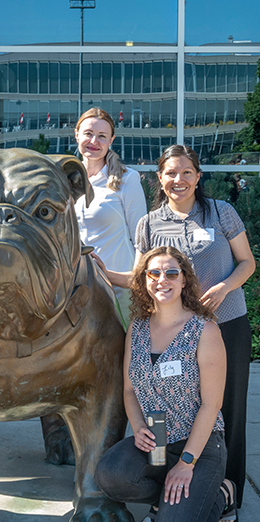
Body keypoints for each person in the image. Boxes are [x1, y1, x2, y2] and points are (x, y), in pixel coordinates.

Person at [97, 144, 255, 508]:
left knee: (225, 409)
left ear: (198, 177)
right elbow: (141, 277)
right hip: (172, 330)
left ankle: (225, 492)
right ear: (160, 179)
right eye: (171, 173)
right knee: (167, 408)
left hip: (225, 323)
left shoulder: (221, 212)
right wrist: (102, 274)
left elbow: (247, 262)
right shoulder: (149, 223)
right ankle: (167, 486)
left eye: (187, 172)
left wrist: (225, 286)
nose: (179, 180)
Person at [95, 246, 236, 522]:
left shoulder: (204, 330)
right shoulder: (137, 327)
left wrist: (186, 463)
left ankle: (221, 494)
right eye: (154, 273)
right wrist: (137, 428)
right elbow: (128, 390)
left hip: (200, 445)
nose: (163, 280)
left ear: (184, 280)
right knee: (109, 476)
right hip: (156, 441)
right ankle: (174, 500)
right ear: (144, 280)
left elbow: (212, 404)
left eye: (172, 273)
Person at [73, 107, 147, 319]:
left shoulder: (127, 179)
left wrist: (136, 280)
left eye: (102, 136)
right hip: (76, 290)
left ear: (111, 140)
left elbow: (142, 239)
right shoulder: (65, 180)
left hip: (118, 290)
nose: (94, 141)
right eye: (88, 133)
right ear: (76, 134)